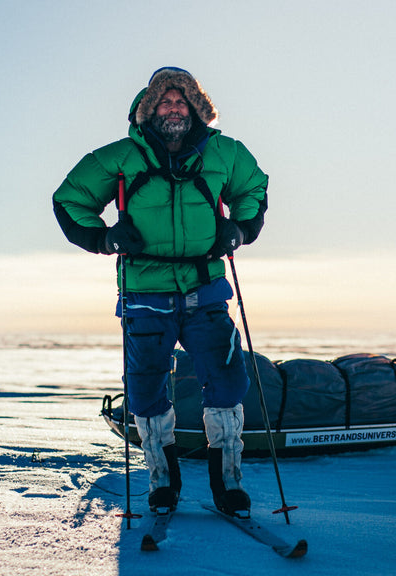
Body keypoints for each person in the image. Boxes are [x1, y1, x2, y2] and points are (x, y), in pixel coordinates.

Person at [51, 67, 269, 517]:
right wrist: (104, 238)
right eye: (165, 102)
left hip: (205, 288)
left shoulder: (225, 152)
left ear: (195, 108)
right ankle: (162, 482)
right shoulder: (118, 158)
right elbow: (70, 199)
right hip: (145, 294)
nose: (174, 108)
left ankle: (228, 484)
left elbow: (253, 188)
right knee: (147, 392)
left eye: (182, 101)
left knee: (228, 383)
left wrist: (240, 229)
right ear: (149, 110)